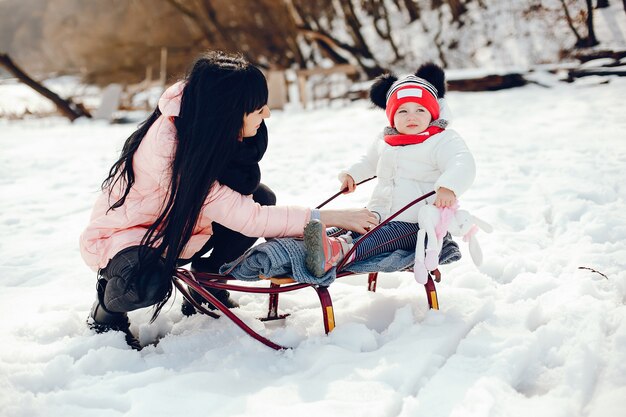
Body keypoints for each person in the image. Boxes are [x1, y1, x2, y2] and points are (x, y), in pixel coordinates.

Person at [79, 51, 378, 349]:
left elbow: (245, 203)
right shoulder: (172, 154)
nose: (268, 115)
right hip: (128, 241)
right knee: (145, 284)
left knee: (261, 196)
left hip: (178, 229)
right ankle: (107, 311)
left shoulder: (203, 120)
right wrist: (335, 217)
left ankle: (207, 282)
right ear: (229, 112)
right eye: (259, 109)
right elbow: (251, 219)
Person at [304, 63, 475, 278]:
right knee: (358, 226)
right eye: (402, 111)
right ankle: (322, 241)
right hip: (379, 212)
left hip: (414, 224)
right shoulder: (387, 139)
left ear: (432, 113)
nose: (411, 117)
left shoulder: (441, 140)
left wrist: (448, 187)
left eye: (420, 110)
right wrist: (352, 175)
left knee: (379, 238)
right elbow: (369, 161)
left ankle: (339, 251)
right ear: (392, 116)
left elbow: (462, 162)